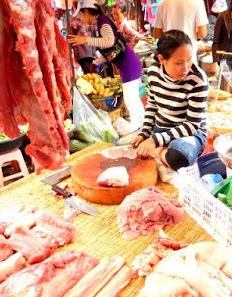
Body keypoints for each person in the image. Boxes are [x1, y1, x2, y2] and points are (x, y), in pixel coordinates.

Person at [132, 30, 209, 173]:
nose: (186, 67)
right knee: (133, 147)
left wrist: (155, 141)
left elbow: (192, 125)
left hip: (189, 133)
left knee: (179, 156)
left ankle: (160, 152)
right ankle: (162, 152)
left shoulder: (198, 80)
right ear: (162, 59)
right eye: (179, 63)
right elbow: (152, 105)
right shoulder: (154, 71)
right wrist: (144, 133)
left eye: (189, 59)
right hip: (161, 128)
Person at [68, 0, 144, 136]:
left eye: (83, 15)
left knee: (131, 99)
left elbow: (109, 41)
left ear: (87, 11)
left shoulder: (102, 21)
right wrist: (96, 63)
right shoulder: (99, 23)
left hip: (129, 65)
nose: (83, 19)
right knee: (132, 98)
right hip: (127, 64)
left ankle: (139, 128)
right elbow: (112, 50)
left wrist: (85, 40)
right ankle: (140, 126)